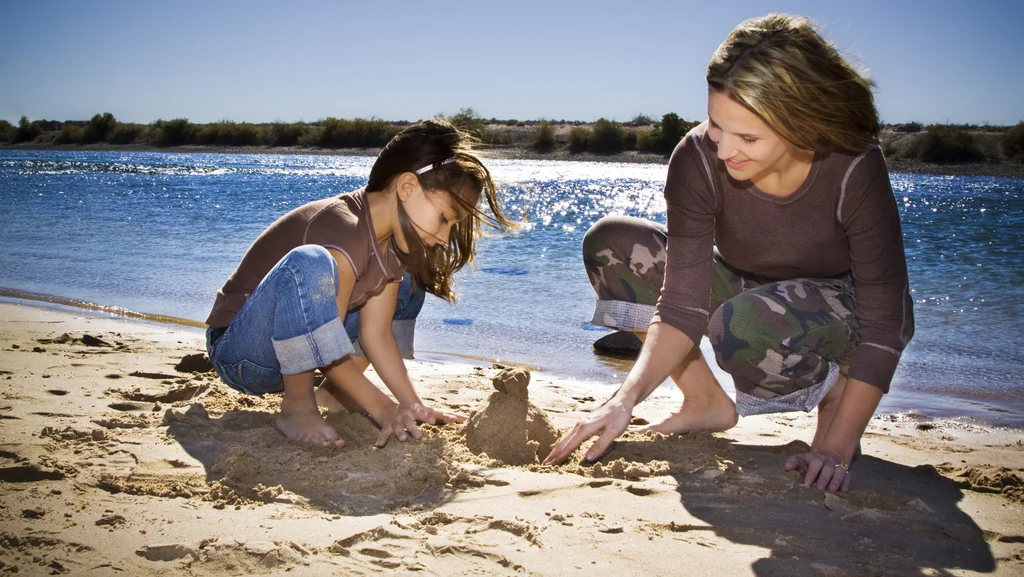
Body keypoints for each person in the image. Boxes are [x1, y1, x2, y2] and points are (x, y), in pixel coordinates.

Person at [545, 14, 914, 494]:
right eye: (718, 126)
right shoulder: (696, 156)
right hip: (745, 282)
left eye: (748, 138)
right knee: (612, 242)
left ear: (803, 125)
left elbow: (887, 322)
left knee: (745, 323)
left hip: (842, 306)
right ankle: (704, 402)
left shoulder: (854, 165)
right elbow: (681, 303)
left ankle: (836, 398)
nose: (724, 152)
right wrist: (624, 399)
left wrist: (838, 448)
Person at [205, 119, 512, 448]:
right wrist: (383, 408)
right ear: (407, 187)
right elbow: (326, 350)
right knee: (310, 262)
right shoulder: (342, 230)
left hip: (291, 358)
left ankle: (332, 395)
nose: (443, 237)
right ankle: (297, 405)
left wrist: (411, 405)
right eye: (443, 219)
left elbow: (375, 334)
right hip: (243, 354)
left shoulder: (392, 247)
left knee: (411, 284)